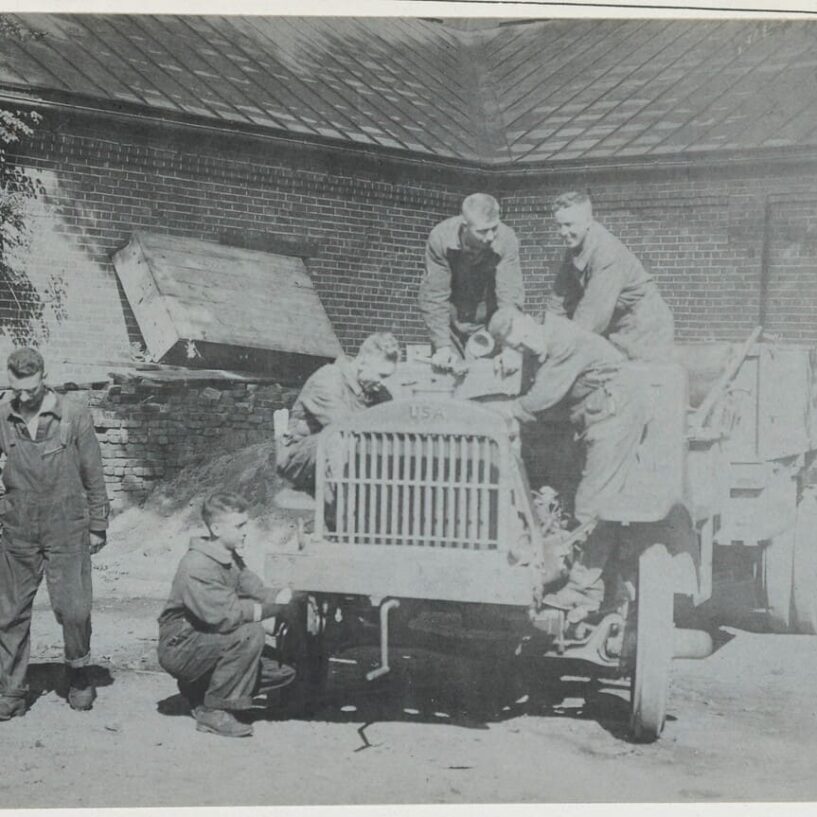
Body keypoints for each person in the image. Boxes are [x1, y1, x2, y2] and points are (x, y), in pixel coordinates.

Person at [488, 307, 646, 616]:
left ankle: (583, 592)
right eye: (516, 347)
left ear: (528, 320)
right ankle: (591, 583)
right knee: (568, 497)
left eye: (521, 341)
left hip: (614, 416)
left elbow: (538, 400)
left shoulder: (563, 342)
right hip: (591, 415)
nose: (524, 348)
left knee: (594, 504)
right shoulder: (541, 341)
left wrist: (497, 410)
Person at [0, 348, 110, 719]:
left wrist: (98, 523)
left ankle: (78, 675)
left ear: (44, 376)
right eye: (18, 388)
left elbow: (93, 473)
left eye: (30, 388)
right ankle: (12, 689)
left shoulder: (73, 414)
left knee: (74, 609)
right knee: (10, 611)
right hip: (19, 528)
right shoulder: (4, 413)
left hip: (67, 525)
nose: (25, 396)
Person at [157, 491, 298, 738]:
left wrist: (290, 595)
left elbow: (256, 589)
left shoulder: (228, 557)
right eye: (239, 526)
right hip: (181, 646)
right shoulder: (197, 564)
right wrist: (277, 608)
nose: (245, 531)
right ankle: (214, 711)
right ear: (217, 528)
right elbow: (226, 617)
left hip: (206, 642)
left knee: (282, 671)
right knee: (249, 633)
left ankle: (200, 690)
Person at [546, 191, 674, 361]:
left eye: (569, 225)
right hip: (619, 325)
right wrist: (545, 334)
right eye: (559, 225)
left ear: (588, 222)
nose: (563, 232)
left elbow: (590, 319)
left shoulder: (606, 253)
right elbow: (558, 300)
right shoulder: (574, 249)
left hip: (644, 327)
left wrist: (557, 347)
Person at [277, 332, 400, 495]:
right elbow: (345, 427)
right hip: (301, 458)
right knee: (339, 440)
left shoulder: (379, 392)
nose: (384, 383)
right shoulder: (328, 379)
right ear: (363, 362)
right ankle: (343, 512)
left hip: (345, 456)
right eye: (381, 375)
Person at [419, 193, 524, 372]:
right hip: (451, 325)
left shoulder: (506, 239)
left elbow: (509, 296)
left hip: (490, 325)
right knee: (449, 380)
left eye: (494, 228)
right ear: (465, 226)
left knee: (491, 382)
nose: (490, 236)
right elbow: (434, 295)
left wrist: (509, 346)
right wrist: (442, 347)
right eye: (483, 231)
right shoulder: (440, 237)